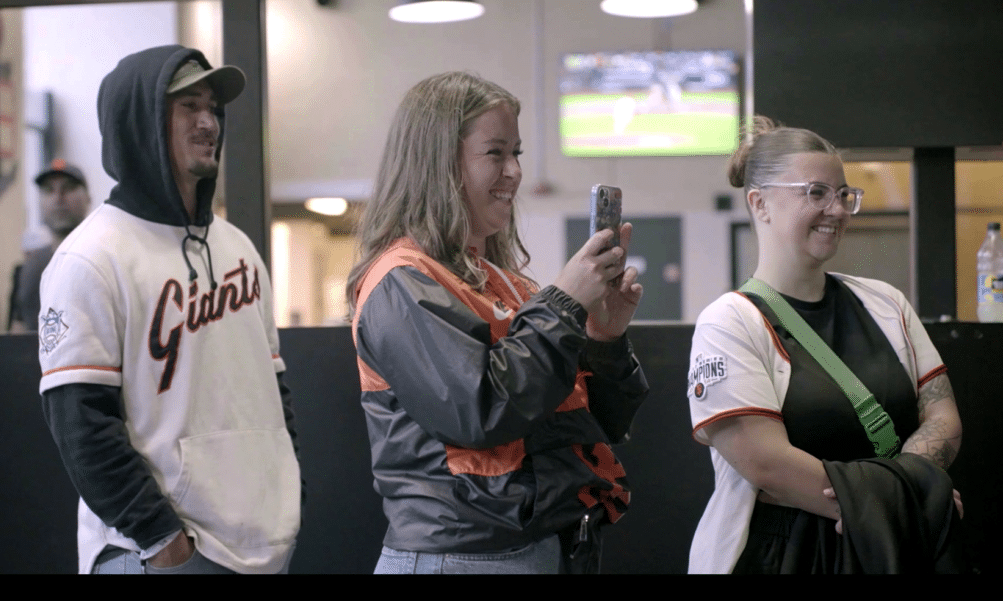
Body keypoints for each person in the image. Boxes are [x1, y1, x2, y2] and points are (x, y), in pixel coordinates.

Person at [347, 71, 649, 574]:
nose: (513, 172)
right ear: (439, 162)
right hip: (462, 557)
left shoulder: (512, 287)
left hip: (542, 546)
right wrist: (561, 305)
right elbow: (479, 412)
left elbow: (604, 421)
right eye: (495, 153)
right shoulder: (400, 282)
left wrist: (605, 336)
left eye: (518, 153)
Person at [38, 45, 301, 574]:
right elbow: (81, 423)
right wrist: (162, 542)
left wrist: (287, 493)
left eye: (215, 109)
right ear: (140, 120)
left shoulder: (239, 248)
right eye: (189, 106)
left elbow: (274, 395)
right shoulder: (90, 258)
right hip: (160, 552)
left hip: (263, 546)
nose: (209, 123)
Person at [686, 117, 963, 573]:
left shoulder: (886, 303)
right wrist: (911, 498)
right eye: (815, 193)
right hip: (783, 553)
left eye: (843, 194)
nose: (836, 210)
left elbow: (942, 415)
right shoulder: (730, 322)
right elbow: (765, 463)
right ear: (760, 204)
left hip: (891, 548)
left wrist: (903, 495)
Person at [9, 160, 91, 332]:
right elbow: (18, 329)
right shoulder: (30, 267)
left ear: (88, 197)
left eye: (68, 188)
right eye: (49, 190)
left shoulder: (103, 261)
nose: (58, 198)